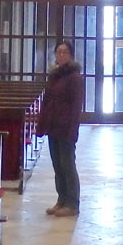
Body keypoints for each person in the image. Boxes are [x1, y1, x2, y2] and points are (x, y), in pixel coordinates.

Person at [36, 40, 84, 217]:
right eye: (59, 52)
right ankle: (61, 199)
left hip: (66, 127)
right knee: (57, 165)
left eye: (65, 52)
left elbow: (76, 106)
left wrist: (73, 130)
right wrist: (42, 124)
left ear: (70, 55)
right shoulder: (54, 76)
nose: (61, 55)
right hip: (53, 126)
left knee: (68, 165)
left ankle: (72, 203)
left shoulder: (74, 78)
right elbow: (47, 101)